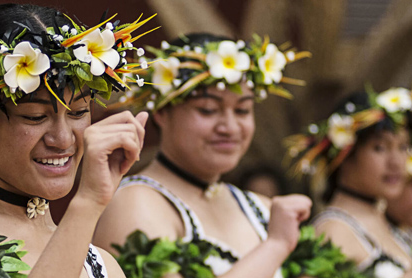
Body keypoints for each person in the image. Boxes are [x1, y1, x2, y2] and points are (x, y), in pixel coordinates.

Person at [0, 3, 155, 277]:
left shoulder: (104, 265)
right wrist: (88, 204)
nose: (63, 139)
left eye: (79, 112)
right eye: (34, 116)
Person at [95, 33, 312, 277]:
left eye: (242, 110)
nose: (229, 127)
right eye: (208, 110)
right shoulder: (133, 203)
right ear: (161, 112)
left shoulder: (261, 208)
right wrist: (276, 245)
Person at [285, 89, 412, 277]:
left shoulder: (389, 224)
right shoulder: (332, 232)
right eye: (380, 148)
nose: (396, 161)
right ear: (344, 155)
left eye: (403, 147)